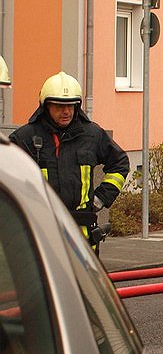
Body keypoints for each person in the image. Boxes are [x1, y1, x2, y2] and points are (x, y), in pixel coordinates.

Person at [9, 71, 129, 252]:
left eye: (71, 106)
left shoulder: (92, 135)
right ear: (45, 106)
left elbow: (120, 164)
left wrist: (100, 199)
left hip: (82, 237)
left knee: (83, 281)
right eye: (59, 106)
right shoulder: (25, 138)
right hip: (41, 233)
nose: (66, 111)